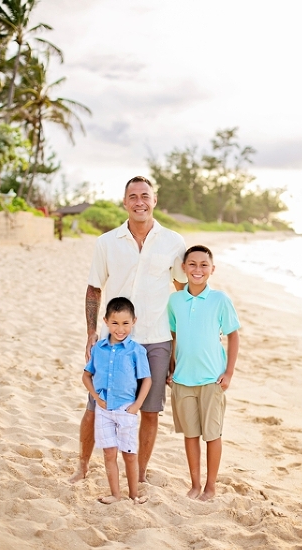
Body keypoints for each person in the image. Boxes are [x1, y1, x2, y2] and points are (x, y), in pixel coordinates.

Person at [70, 175, 187, 484]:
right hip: (115, 341)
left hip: (157, 338)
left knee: (149, 411)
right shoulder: (107, 242)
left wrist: (179, 342)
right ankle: (82, 466)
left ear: (154, 200)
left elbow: (182, 288)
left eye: (145, 196)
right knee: (97, 406)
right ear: (125, 202)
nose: (139, 202)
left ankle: (141, 472)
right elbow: (94, 289)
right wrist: (91, 332)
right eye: (133, 196)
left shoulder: (173, 242)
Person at [167, 245, 239, 501]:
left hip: (212, 379)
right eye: (192, 264)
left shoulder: (220, 300)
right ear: (184, 268)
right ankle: (195, 484)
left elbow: (233, 335)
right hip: (183, 379)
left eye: (203, 265)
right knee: (190, 434)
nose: (198, 269)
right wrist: (171, 365)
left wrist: (229, 372)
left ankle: (210, 486)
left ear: (212, 269)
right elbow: (174, 335)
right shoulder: (175, 300)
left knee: (212, 434)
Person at [83, 297, 152, 504]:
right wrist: (96, 398)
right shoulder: (99, 349)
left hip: (126, 409)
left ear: (133, 322)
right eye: (115, 323)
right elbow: (86, 376)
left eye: (125, 323)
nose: (120, 329)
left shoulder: (136, 351)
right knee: (109, 453)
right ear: (105, 321)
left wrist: (137, 406)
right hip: (104, 409)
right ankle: (115, 494)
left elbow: (146, 379)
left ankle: (133, 495)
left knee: (129, 454)